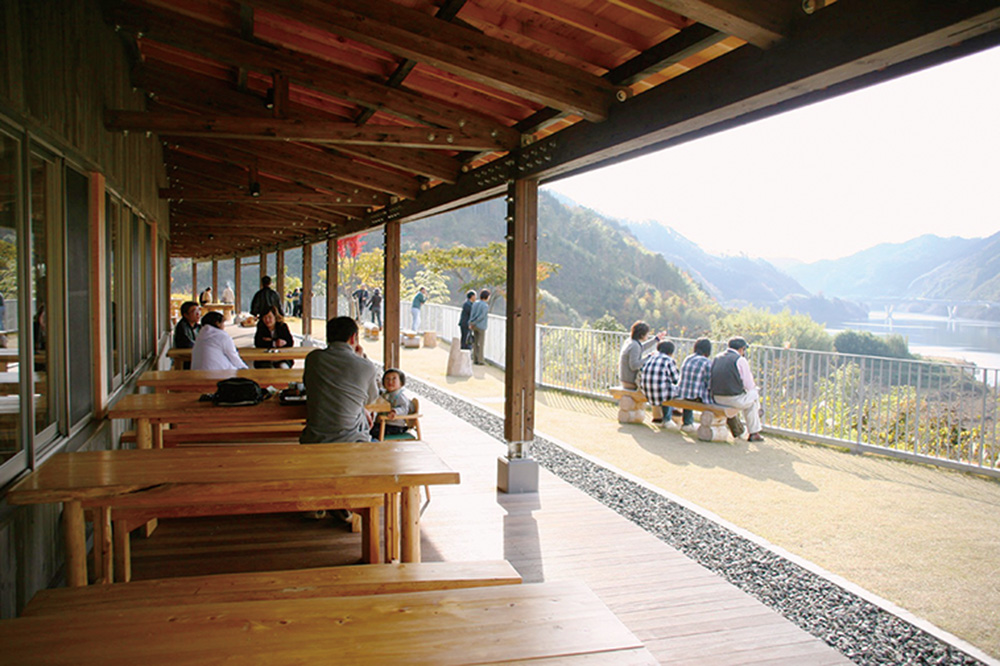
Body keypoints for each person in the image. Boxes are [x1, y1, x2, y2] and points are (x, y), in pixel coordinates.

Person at [300, 316, 379, 444]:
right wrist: (360, 358)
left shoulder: (313, 358)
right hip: (352, 440)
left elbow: (308, 385)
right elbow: (370, 399)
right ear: (353, 338)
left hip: (315, 439)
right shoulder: (366, 366)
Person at [710, 337, 764, 442]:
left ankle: (755, 417)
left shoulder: (717, 357)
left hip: (716, 397)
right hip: (733, 399)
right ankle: (754, 431)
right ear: (741, 349)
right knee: (754, 394)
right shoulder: (740, 360)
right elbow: (749, 385)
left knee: (751, 400)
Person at [639, 340, 680, 428]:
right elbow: (676, 379)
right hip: (661, 393)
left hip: (645, 391)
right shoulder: (669, 360)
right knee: (675, 391)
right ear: (671, 352)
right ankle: (668, 418)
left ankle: (661, 417)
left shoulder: (651, 358)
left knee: (664, 388)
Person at [677, 337, 713, 433]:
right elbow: (710, 383)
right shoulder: (707, 362)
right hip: (697, 397)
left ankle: (687, 423)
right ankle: (707, 425)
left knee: (688, 393)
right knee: (705, 395)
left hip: (683, 393)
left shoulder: (688, 358)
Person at [369, 368, 413, 439]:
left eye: (394, 379)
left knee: (371, 431)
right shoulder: (386, 393)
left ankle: (374, 443)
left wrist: (395, 411)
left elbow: (404, 408)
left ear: (401, 383)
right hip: (383, 423)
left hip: (394, 426)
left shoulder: (400, 396)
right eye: (387, 379)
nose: (390, 381)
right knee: (366, 426)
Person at [619, 321, 662, 390]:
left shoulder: (631, 342)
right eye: (647, 333)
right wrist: (649, 357)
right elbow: (634, 366)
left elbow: (641, 348)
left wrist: (655, 340)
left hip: (625, 380)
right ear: (642, 335)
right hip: (630, 382)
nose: (648, 335)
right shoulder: (634, 346)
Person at [468, 289, 490, 365]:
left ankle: (475, 359)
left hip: (474, 326)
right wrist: (476, 322)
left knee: (475, 343)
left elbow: (472, 314)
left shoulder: (475, 303)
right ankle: (480, 360)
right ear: (487, 297)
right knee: (481, 343)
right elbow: (482, 316)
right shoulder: (485, 306)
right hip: (481, 326)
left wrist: (471, 323)